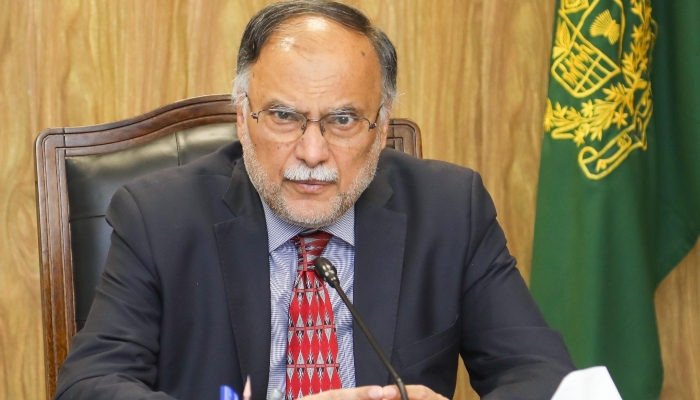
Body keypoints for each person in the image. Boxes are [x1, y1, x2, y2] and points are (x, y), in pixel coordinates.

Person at [54, 1, 575, 399]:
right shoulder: (159, 218)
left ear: (380, 126)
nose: (311, 152)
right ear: (243, 118)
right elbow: (90, 385)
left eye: (343, 121)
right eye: (283, 117)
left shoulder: (450, 211)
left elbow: (539, 373)